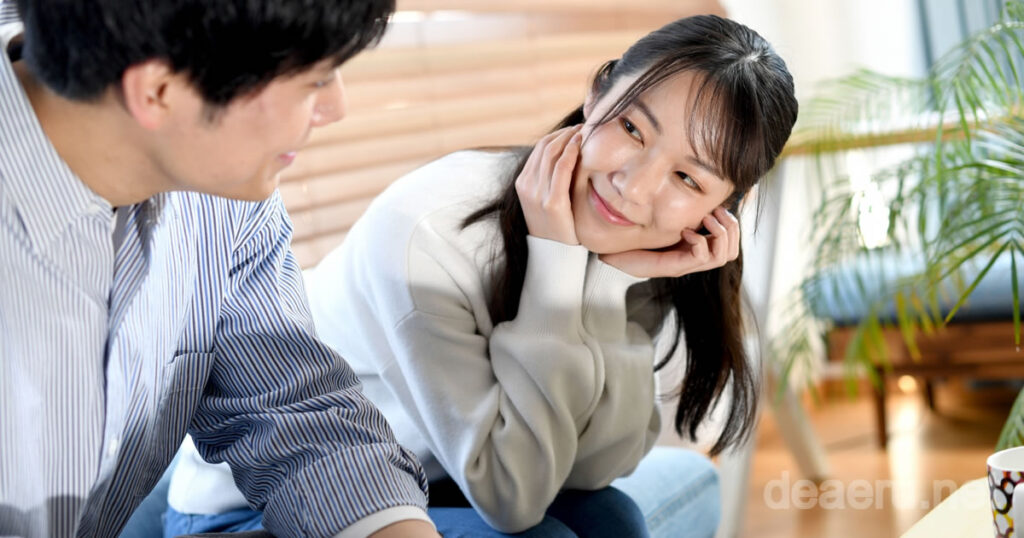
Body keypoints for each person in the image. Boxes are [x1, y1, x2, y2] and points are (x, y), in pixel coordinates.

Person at [169, 13, 799, 537]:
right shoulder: (431, 229)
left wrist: (606, 285)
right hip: (272, 505)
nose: (634, 188)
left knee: (614, 519)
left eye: (687, 178)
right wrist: (558, 271)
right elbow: (512, 499)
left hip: (440, 478)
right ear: (597, 94)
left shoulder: (640, 248)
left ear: (723, 208)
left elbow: (593, 470)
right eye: (633, 129)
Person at [0, 1, 443, 537]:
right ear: (159, 93)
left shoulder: (224, 188)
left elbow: (294, 412)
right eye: (314, 80)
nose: (335, 108)